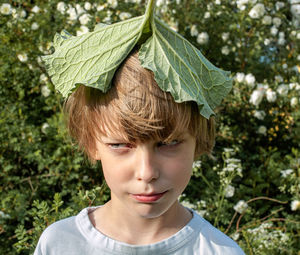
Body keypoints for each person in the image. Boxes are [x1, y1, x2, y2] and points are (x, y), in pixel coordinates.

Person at [34, 49, 245, 255]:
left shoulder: (219, 250)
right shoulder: (59, 244)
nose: (147, 172)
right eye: (120, 145)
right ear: (91, 143)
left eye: (168, 143)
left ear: (198, 142)